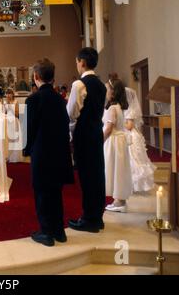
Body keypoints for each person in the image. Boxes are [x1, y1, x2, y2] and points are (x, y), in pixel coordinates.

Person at [24, 58, 74, 247]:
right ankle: (59, 230)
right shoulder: (60, 100)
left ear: (36, 77)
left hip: (42, 152)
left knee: (42, 192)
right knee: (55, 191)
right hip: (59, 152)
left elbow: (28, 129)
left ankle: (45, 232)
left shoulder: (33, 99)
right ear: (52, 77)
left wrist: (27, 150)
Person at [67, 47, 107, 233]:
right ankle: (97, 217)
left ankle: (89, 219)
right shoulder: (101, 85)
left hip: (83, 134)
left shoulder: (79, 85)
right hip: (96, 132)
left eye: (77, 62)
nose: (77, 65)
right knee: (97, 174)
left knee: (86, 176)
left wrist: (70, 132)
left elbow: (71, 113)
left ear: (82, 62)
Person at [103, 79, 133, 212]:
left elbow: (109, 128)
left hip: (113, 141)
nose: (106, 92)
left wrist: (100, 140)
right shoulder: (119, 107)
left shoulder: (112, 108)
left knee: (114, 169)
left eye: (107, 89)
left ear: (113, 93)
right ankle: (120, 200)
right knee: (119, 169)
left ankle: (119, 202)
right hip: (119, 141)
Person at [124, 86, 156, 193]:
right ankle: (129, 184)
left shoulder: (131, 110)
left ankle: (136, 185)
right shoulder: (127, 108)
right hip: (129, 135)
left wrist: (120, 123)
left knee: (134, 159)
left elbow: (129, 126)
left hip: (131, 136)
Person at [5, 88, 23, 163]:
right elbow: (4, 113)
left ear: (13, 94)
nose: (8, 95)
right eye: (7, 94)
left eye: (10, 93)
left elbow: (17, 114)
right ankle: (7, 156)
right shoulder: (5, 103)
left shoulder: (16, 102)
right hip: (7, 122)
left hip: (14, 122)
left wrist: (10, 107)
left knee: (14, 139)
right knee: (8, 139)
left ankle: (14, 157)